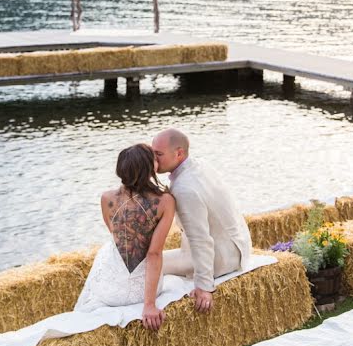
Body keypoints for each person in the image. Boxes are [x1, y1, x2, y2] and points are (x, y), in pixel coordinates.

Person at [73, 143, 175, 331]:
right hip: (140, 292)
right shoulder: (165, 201)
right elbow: (153, 254)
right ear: (149, 168)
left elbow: (116, 235)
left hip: (108, 290)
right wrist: (149, 305)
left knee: (108, 249)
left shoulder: (106, 199)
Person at [151, 128, 252, 314]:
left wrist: (205, 287)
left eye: (158, 154)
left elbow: (200, 240)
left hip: (222, 257)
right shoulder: (199, 165)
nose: (153, 160)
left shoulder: (184, 189)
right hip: (238, 244)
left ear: (179, 153)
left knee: (150, 265)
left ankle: (149, 307)